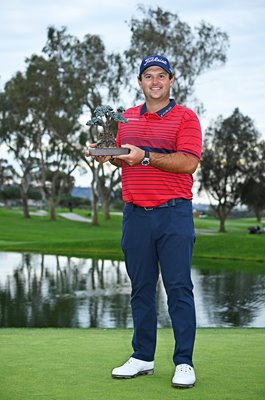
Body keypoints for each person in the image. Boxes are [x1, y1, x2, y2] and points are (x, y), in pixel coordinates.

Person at [88, 54, 202, 389]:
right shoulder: (126, 119)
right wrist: (105, 155)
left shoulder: (186, 118)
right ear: (140, 82)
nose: (154, 81)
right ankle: (142, 357)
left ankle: (183, 362)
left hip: (174, 214)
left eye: (161, 75)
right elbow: (123, 162)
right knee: (140, 289)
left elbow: (187, 163)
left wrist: (147, 156)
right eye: (148, 76)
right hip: (135, 215)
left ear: (171, 80)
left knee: (179, 289)